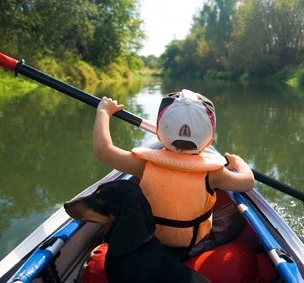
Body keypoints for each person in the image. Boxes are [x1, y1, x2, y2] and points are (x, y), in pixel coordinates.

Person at [93, 89, 254, 259]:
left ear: (159, 132)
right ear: (210, 138)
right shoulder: (214, 173)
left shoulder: (143, 164)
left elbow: (103, 150)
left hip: (149, 241)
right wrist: (237, 162)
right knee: (237, 215)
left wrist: (104, 111)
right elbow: (248, 182)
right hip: (193, 247)